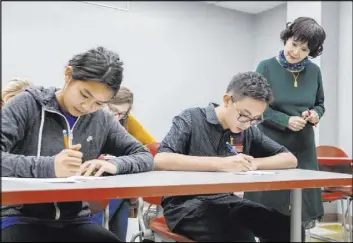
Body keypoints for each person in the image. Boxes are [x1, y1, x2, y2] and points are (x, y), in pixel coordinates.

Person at [1, 46, 154, 242]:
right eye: (84, 95)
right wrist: (49, 166)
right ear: (68, 74)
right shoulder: (28, 105)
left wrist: (114, 165)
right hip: (17, 217)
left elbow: (144, 154)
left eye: (99, 103)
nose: (87, 107)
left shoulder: (101, 119)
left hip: (74, 220)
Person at [154, 71, 301, 242]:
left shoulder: (249, 130)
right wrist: (222, 164)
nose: (247, 123)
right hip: (184, 205)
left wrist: (254, 163)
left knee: (289, 229)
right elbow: (160, 160)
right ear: (226, 101)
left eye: (255, 119)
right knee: (239, 236)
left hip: (226, 201)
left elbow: (290, 159)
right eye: (244, 115)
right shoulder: (191, 119)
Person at [245, 17, 326, 230]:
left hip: (303, 145)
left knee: (301, 204)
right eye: (294, 44)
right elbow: (256, 107)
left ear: (312, 52)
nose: (296, 52)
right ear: (286, 38)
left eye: (305, 49)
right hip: (271, 143)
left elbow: (320, 104)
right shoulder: (266, 66)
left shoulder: (315, 72)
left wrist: (315, 114)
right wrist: (285, 120)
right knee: (268, 205)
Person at [93, 86, 156, 241]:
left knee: (122, 197)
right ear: (103, 102)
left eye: (122, 114)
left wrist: (120, 161)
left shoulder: (125, 121)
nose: (116, 117)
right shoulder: (92, 118)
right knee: (121, 197)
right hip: (92, 183)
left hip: (115, 180)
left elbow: (151, 148)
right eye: (113, 110)